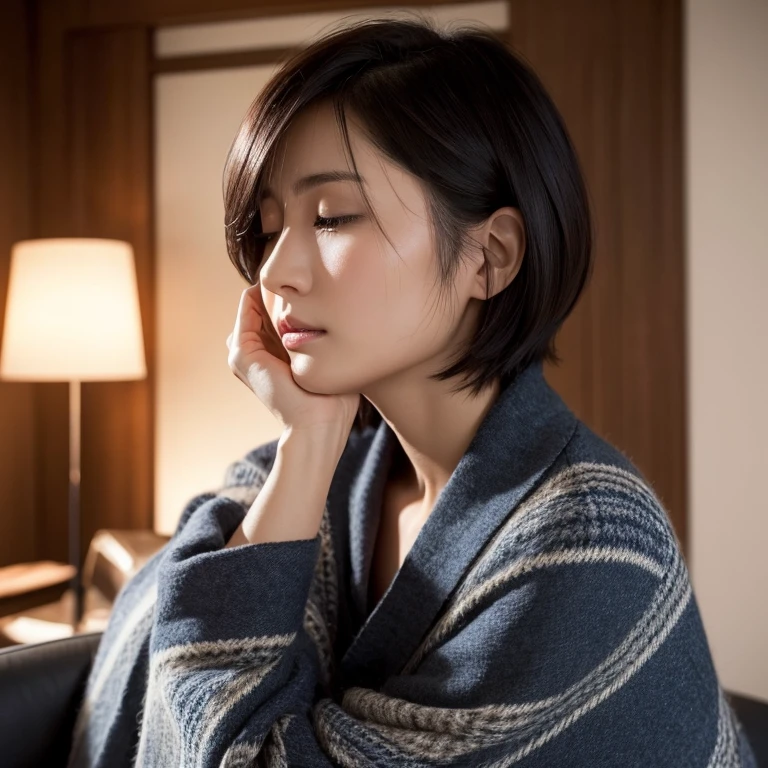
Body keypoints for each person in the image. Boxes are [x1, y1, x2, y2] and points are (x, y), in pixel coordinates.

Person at [67, 15, 758, 768]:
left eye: (332, 216)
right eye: (268, 230)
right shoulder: (291, 486)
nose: (275, 272)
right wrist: (306, 447)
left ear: (488, 257)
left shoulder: (589, 552)